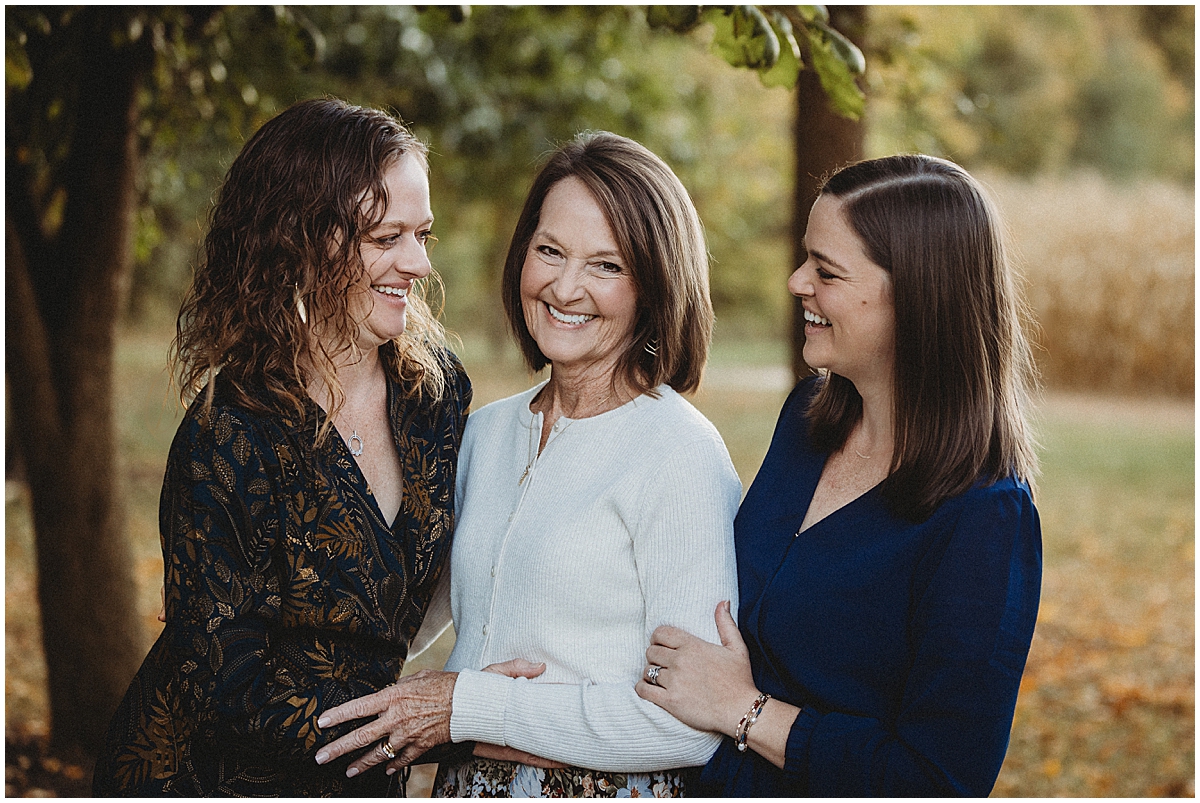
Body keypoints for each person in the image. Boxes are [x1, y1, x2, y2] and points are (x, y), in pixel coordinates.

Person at [314, 131, 741, 797]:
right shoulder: (485, 433)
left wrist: (469, 708)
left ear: (656, 284)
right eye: (550, 251)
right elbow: (408, 611)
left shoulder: (677, 452)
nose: (565, 287)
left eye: (607, 265)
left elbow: (689, 723)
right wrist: (264, 587)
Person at [92, 97, 471, 796]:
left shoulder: (435, 395)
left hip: (360, 773)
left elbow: (426, 591)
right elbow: (225, 689)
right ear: (302, 241)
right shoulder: (227, 436)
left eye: (424, 234)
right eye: (387, 237)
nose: (416, 262)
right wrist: (436, 723)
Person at [635, 154, 1042, 797]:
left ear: (918, 297)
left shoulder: (985, 517)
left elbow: (939, 779)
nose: (797, 281)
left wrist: (747, 713)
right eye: (806, 259)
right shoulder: (805, 421)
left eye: (826, 271)